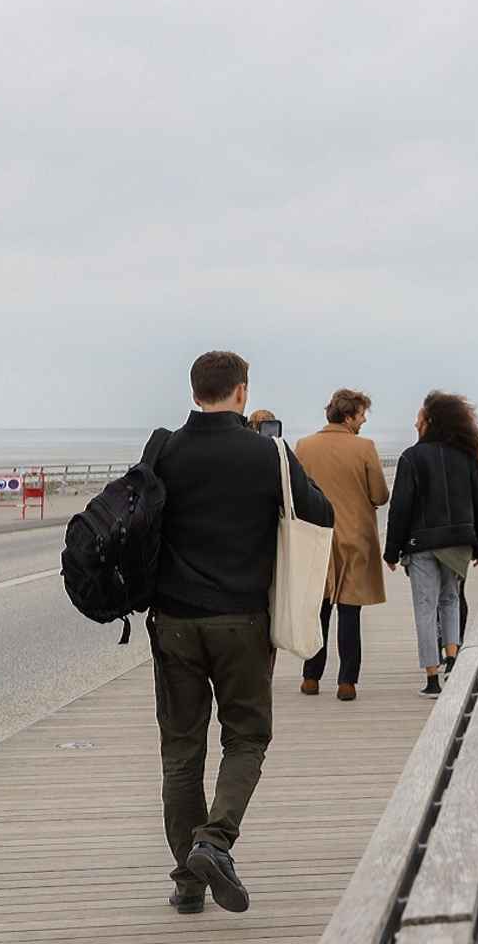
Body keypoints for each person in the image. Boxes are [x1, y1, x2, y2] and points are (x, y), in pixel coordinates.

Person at [150, 351, 334, 916]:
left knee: (182, 752)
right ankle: (214, 841)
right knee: (246, 738)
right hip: (243, 621)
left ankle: (188, 883)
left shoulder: (164, 449)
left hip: (174, 621)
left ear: (194, 392)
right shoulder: (267, 453)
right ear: (242, 392)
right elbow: (320, 512)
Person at [386, 392, 478, 699]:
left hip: (421, 544)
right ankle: (453, 660)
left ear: (430, 422)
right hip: (458, 542)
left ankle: (432, 678)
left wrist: (392, 549)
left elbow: (400, 507)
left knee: (425, 606)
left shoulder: (411, 457)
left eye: (419, 418)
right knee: (450, 599)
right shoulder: (468, 457)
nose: (415, 423)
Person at [293, 389, 390, 704]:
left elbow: (295, 494)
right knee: (350, 612)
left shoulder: (304, 446)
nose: (363, 421)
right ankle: (347, 682)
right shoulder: (365, 447)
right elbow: (380, 494)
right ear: (349, 417)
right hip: (354, 538)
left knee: (318, 611)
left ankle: (311, 676)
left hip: (317, 537)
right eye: (361, 415)